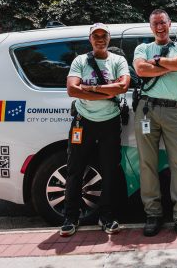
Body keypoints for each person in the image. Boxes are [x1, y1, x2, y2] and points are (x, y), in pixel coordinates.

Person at [61, 23, 131, 237]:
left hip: (110, 122)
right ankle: (70, 217)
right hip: (83, 122)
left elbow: (123, 86)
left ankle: (106, 216)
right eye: (96, 35)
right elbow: (72, 89)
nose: (100, 39)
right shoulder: (80, 61)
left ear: (109, 38)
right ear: (90, 39)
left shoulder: (118, 61)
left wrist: (89, 88)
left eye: (103, 35)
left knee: (110, 170)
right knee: (75, 170)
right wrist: (107, 91)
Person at [133, 9, 177, 241]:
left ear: (170, 24)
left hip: (175, 110)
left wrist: (158, 62)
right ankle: (153, 214)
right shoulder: (142, 48)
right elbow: (141, 69)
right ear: (150, 27)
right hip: (147, 109)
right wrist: (173, 64)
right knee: (147, 163)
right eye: (155, 24)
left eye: (163, 22)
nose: (159, 27)